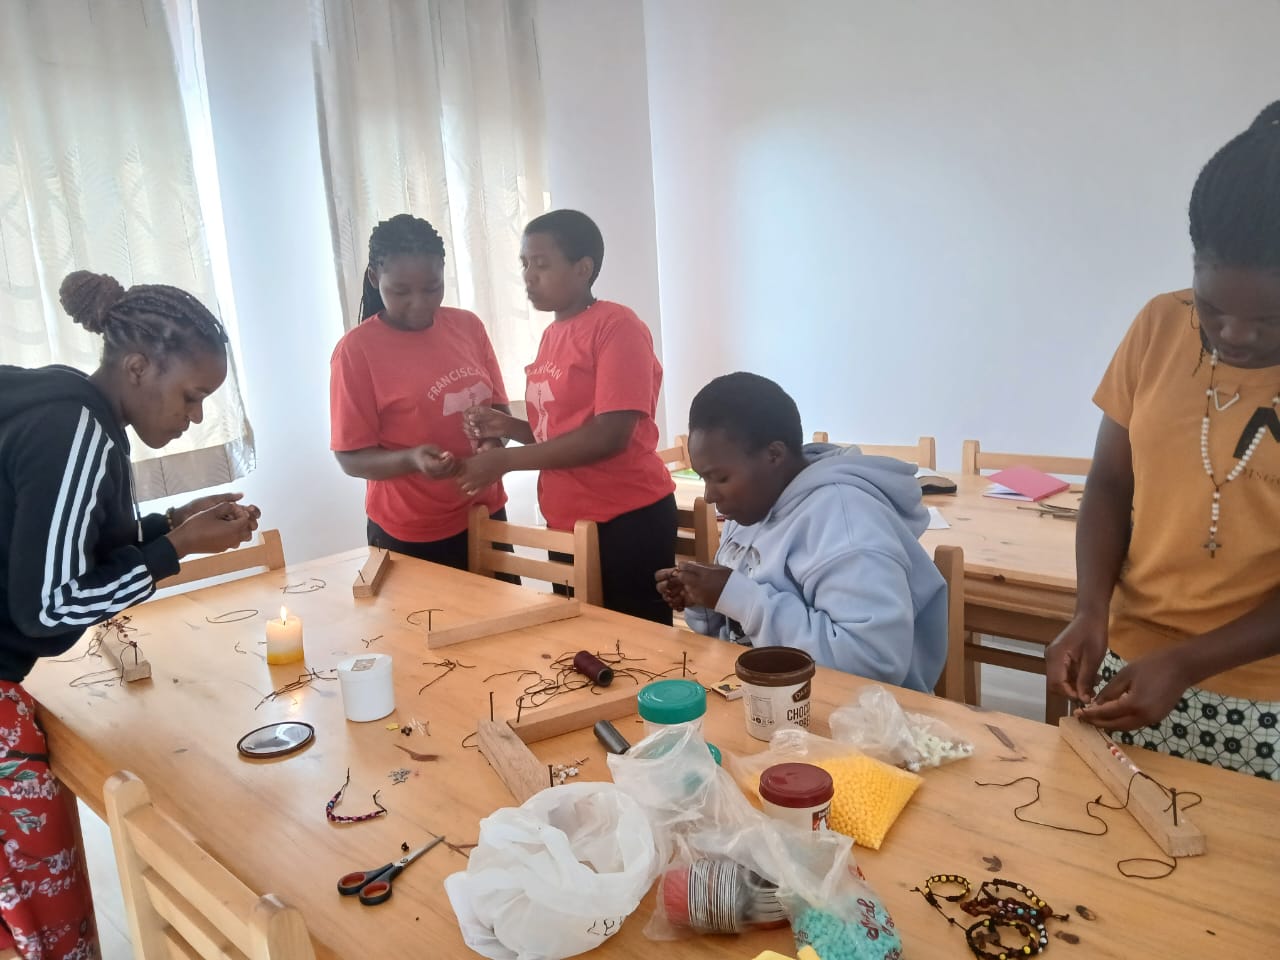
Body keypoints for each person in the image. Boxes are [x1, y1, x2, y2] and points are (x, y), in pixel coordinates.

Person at [0, 270, 261, 957]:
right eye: (191, 396)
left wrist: (171, 523)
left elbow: (65, 545)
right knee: (42, 927)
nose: (194, 417)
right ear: (139, 367)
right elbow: (48, 604)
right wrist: (175, 550)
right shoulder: (75, 430)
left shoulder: (66, 407)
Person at [1048, 102, 1280, 780]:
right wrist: (1090, 610)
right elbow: (1109, 483)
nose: (1234, 335)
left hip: (1262, 698)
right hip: (1127, 667)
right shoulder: (1158, 324)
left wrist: (1185, 663)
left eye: (1270, 318)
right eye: (1213, 307)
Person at [654, 372, 947, 691]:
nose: (710, 496)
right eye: (704, 478)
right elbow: (741, 634)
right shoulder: (751, 505)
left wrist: (738, 597)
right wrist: (705, 600)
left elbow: (872, 666)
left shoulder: (846, 521)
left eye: (720, 478)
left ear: (774, 455)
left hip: (858, 713)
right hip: (769, 697)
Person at [457, 210, 676, 624]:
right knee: (580, 641)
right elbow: (561, 434)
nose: (528, 276)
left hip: (625, 517)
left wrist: (505, 461)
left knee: (636, 645)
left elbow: (609, 435)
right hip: (566, 520)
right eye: (524, 264)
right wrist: (510, 427)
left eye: (541, 264)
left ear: (583, 268)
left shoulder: (617, 325)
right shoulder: (552, 335)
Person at [330, 214, 513, 569]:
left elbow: (500, 414)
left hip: (485, 513)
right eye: (401, 291)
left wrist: (492, 445)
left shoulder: (468, 326)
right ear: (374, 278)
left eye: (432, 288)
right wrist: (412, 460)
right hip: (411, 530)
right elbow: (350, 458)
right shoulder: (356, 351)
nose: (420, 303)